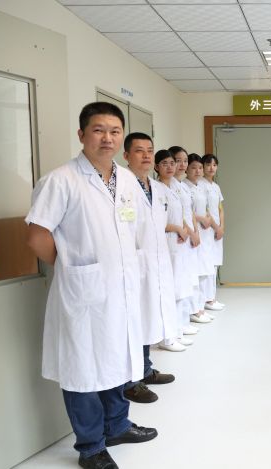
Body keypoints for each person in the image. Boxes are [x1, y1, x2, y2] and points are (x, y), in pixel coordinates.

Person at [25, 102, 157, 469]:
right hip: (83, 294)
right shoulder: (61, 180)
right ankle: (90, 447)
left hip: (121, 291)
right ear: (82, 134)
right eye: (99, 130)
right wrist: (72, 267)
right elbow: (37, 237)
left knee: (118, 358)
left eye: (115, 131)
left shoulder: (126, 180)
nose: (107, 138)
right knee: (82, 369)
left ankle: (117, 426)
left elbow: (133, 228)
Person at [122, 132, 179, 404]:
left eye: (149, 150)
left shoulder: (156, 188)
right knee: (134, 321)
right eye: (139, 150)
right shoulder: (122, 187)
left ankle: (145, 370)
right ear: (126, 155)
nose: (146, 155)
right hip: (133, 264)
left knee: (147, 316)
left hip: (155, 262)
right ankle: (131, 381)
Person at [154, 150, 194, 352]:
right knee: (170, 290)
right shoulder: (157, 189)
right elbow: (157, 221)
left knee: (179, 286)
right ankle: (167, 337)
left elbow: (182, 214)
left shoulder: (174, 188)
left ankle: (177, 330)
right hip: (167, 242)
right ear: (156, 167)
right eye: (164, 163)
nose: (170, 167)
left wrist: (184, 229)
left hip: (178, 242)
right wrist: (179, 229)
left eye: (172, 163)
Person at [168, 146, 202, 336]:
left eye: (185, 161)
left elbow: (190, 212)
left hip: (188, 238)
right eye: (178, 160)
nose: (182, 165)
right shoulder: (168, 186)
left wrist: (195, 231)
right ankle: (177, 326)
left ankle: (184, 320)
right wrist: (190, 232)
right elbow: (178, 216)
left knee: (187, 279)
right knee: (178, 282)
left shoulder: (181, 186)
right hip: (179, 238)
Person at [184, 153, 215, 323]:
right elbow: (187, 212)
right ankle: (195, 310)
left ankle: (201, 307)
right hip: (193, 234)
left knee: (203, 271)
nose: (197, 171)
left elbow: (207, 207)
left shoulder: (200, 187)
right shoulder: (185, 186)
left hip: (204, 234)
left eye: (200, 168)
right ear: (186, 169)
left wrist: (208, 217)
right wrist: (202, 219)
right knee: (195, 273)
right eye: (193, 167)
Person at [201, 153, 226, 311]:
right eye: (208, 164)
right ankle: (207, 299)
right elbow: (205, 209)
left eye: (214, 165)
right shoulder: (200, 185)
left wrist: (222, 226)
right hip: (207, 230)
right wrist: (216, 227)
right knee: (207, 264)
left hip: (217, 230)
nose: (211, 168)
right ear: (203, 166)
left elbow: (220, 208)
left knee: (215, 264)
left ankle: (212, 297)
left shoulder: (216, 187)